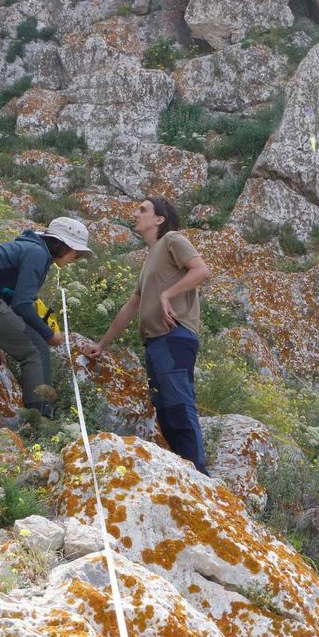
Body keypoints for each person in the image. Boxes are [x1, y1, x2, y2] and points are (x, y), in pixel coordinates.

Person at [93, 196, 212, 472]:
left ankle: (200, 474)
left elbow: (201, 270)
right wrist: (102, 344)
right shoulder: (150, 258)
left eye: (143, 210)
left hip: (174, 336)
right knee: (166, 411)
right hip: (155, 342)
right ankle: (187, 470)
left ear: (159, 219)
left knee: (179, 406)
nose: (136, 214)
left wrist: (167, 295)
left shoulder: (172, 239)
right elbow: (131, 305)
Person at [0, 217, 93, 429]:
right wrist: (48, 334)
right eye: (77, 252)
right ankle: (40, 422)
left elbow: (6, 298)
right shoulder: (37, 253)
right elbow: (21, 304)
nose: (76, 258)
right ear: (61, 244)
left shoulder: (27, 248)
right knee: (35, 349)